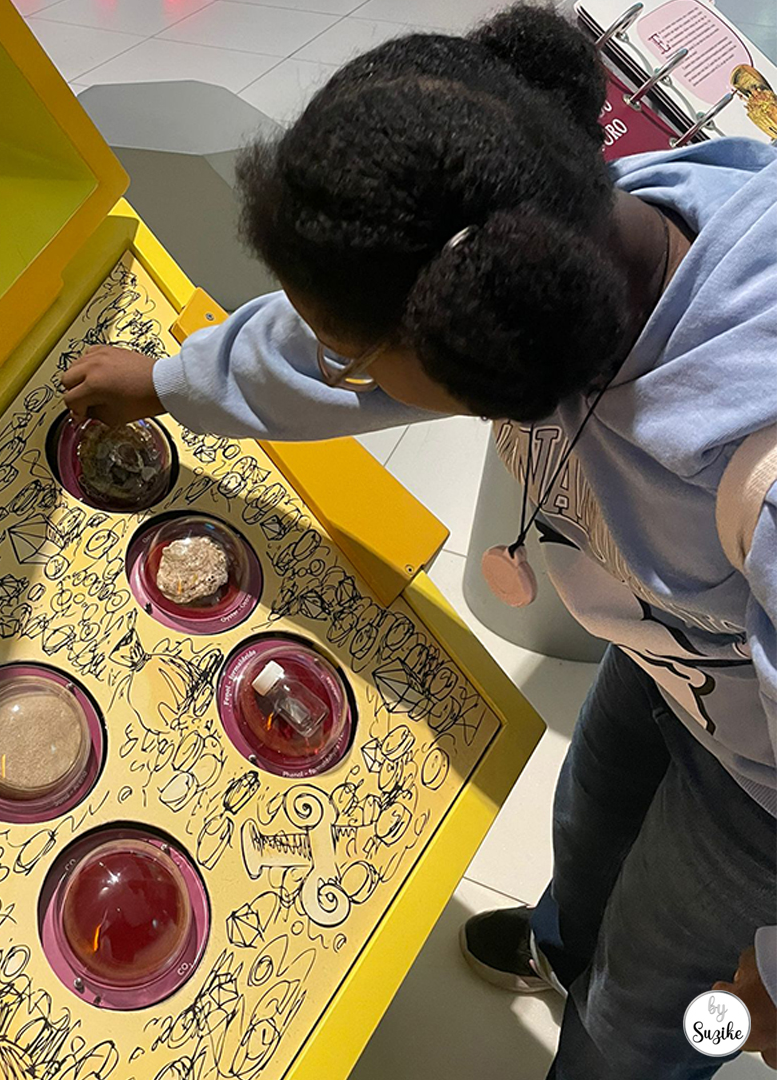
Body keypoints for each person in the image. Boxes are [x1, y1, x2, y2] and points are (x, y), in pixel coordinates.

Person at [60, 5, 777, 1075]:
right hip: (679, 650)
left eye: (356, 365)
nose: (343, 377)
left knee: (652, 1006)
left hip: (764, 794)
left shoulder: (753, 465)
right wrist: (169, 382)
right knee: (591, 818)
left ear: (472, 337)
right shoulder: (569, 229)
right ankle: (562, 948)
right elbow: (340, 317)